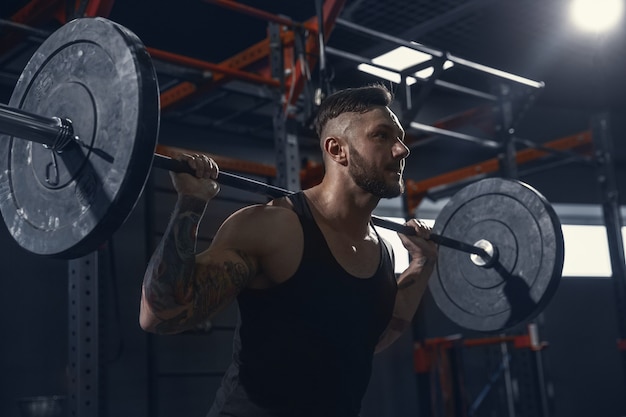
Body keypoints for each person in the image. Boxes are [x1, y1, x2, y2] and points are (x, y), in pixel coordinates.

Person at [139, 84, 438, 417]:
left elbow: (370, 336)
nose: (402, 150)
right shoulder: (275, 227)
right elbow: (159, 315)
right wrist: (191, 203)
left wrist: (422, 262)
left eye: (399, 137)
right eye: (382, 136)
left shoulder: (381, 248)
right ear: (337, 150)